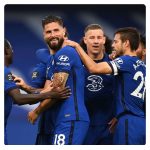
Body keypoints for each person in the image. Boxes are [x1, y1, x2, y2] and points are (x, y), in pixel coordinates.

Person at [65, 27, 146, 145]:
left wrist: (77, 47)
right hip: (140, 120)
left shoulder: (125, 61)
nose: (113, 45)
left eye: (116, 41)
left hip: (128, 122)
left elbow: (94, 68)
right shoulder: (143, 66)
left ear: (126, 43)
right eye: (92, 37)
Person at [27, 15, 89, 145]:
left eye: (56, 30)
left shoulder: (66, 53)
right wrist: (26, 89)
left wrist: (36, 111)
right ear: (43, 34)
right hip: (62, 119)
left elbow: (57, 90)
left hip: (71, 117)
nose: (52, 34)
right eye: (48, 32)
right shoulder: (52, 59)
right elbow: (47, 91)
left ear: (64, 31)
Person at [4, 39, 71, 144]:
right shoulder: (4, 71)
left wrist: (28, 88)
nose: (13, 52)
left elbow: (15, 100)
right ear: (7, 51)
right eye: (11, 49)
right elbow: (19, 98)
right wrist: (50, 94)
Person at [78, 24, 114, 144]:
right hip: (83, 126)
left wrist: (120, 115)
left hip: (109, 126)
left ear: (104, 40)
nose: (96, 41)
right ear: (85, 40)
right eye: (92, 38)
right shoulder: (76, 64)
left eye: (99, 38)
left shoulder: (114, 64)